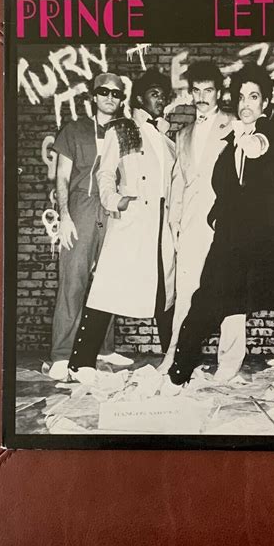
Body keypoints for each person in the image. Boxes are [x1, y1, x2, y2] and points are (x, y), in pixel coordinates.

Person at [161, 63, 274, 397]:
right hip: (233, 234)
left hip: (272, 232)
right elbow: (223, 186)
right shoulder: (229, 142)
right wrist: (217, 215)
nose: (246, 104)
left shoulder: (273, 129)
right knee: (206, 298)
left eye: (254, 97)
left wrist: (245, 137)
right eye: (241, 97)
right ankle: (177, 374)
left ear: (265, 103)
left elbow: (259, 146)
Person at [67, 69, 176, 381]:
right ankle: (80, 363)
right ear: (140, 98)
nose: (161, 99)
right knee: (107, 288)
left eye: (163, 95)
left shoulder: (166, 139)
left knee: (165, 292)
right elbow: (104, 173)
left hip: (161, 222)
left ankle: (173, 362)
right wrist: (116, 201)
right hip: (133, 219)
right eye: (154, 93)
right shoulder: (123, 129)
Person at [160, 61, 246, 382]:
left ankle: (230, 363)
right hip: (191, 226)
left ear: (219, 92)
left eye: (208, 90)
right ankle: (175, 356)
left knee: (231, 294)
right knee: (186, 293)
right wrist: (175, 224)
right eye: (196, 90)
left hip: (227, 224)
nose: (201, 97)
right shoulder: (183, 134)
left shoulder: (234, 125)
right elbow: (179, 183)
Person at [48, 72, 133, 381]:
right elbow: (62, 177)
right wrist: (65, 216)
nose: (110, 97)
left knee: (108, 282)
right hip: (81, 207)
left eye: (116, 93)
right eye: (104, 91)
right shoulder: (75, 130)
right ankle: (61, 354)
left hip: (111, 209)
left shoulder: (127, 132)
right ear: (94, 96)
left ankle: (104, 349)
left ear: (122, 99)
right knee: (73, 281)